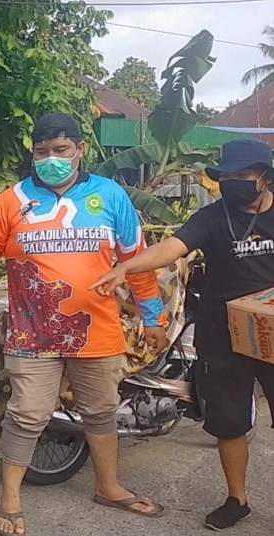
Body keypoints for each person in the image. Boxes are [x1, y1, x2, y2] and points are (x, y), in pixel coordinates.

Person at [0, 113, 168, 536]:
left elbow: (138, 261)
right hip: (31, 332)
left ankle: (108, 486)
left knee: (101, 411)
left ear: (79, 149)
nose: (51, 159)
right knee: (27, 415)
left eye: (61, 150)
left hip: (97, 330)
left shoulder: (110, 196)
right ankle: (10, 500)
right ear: (33, 153)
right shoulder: (12, 200)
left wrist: (154, 317)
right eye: (42, 152)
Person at [91, 138, 274, 531]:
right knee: (228, 421)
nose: (234, 183)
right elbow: (171, 247)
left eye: (243, 176)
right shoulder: (211, 218)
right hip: (221, 333)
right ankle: (236, 499)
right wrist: (128, 267)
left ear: (264, 177)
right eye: (227, 177)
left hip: (272, 329)